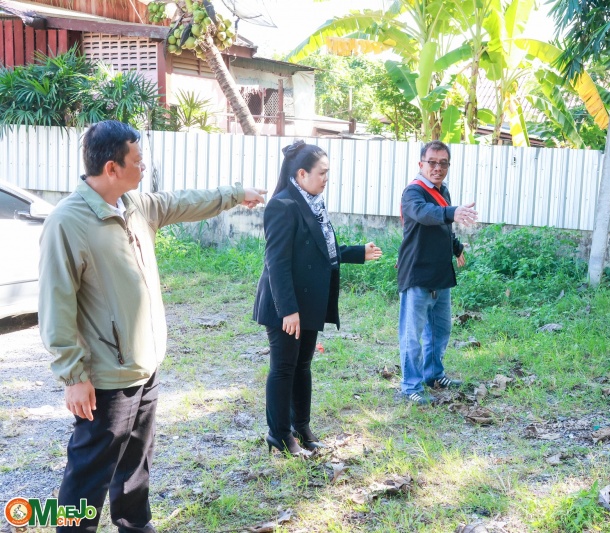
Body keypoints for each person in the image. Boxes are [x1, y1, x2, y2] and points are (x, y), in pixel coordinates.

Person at [38, 120, 267, 533]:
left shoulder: (135, 206)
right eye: (137, 161)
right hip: (106, 377)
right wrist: (73, 376)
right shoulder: (67, 222)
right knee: (87, 474)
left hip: (145, 366)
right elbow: (56, 305)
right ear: (111, 168)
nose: (143, 167)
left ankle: (135, 526)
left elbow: (183, 202)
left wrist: (236, 194)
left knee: (136, 465)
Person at [252, 140, 382, 457]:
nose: (326, 178)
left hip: (308, 302)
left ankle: (301, 427)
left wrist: (357, 253)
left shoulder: (313, 203)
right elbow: (276, 262)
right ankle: (279, 434)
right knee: (284, 368)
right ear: (301, 174)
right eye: (321, 173)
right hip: (286, 305)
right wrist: (288, 310)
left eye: (327, 172)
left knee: (303, 366)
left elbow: (321, 249)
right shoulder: (282, 205)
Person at [396, 140, 479, 405]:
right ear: (421, 164)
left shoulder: (443, 191)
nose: (437, 168)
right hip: (417, 273)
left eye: (443, 163)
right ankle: (410, 386)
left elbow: (443, 227)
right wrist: (453, 212)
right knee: (412, 335)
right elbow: (425, 214)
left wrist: (456, 247)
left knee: (441, 330)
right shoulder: (413, 192)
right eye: (432, 162)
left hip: (440, 273)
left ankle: (433, 375)